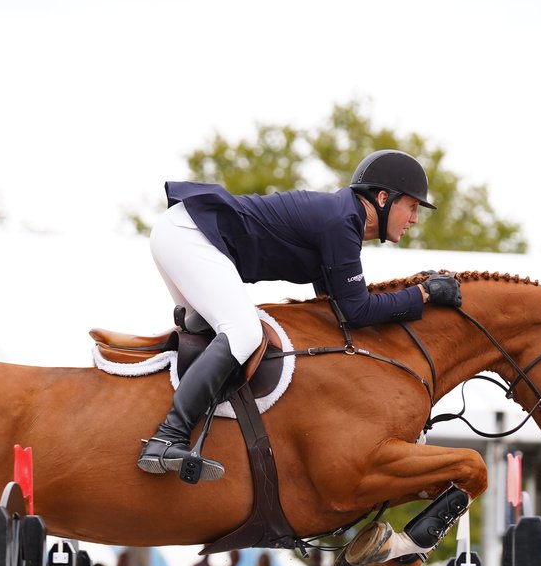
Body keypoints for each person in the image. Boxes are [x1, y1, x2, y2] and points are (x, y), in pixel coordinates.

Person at [136, 150, 460, 480]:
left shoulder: (341, 218)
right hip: (190, 235)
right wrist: (424, 293)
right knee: (245, 334)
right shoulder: (341, 222)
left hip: (183, 233)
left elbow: (338, 310)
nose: (415, 219)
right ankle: (168, 436)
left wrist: (414, 294)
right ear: (382, 198)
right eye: (413, 206)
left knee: (214, 332)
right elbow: (357, 310)